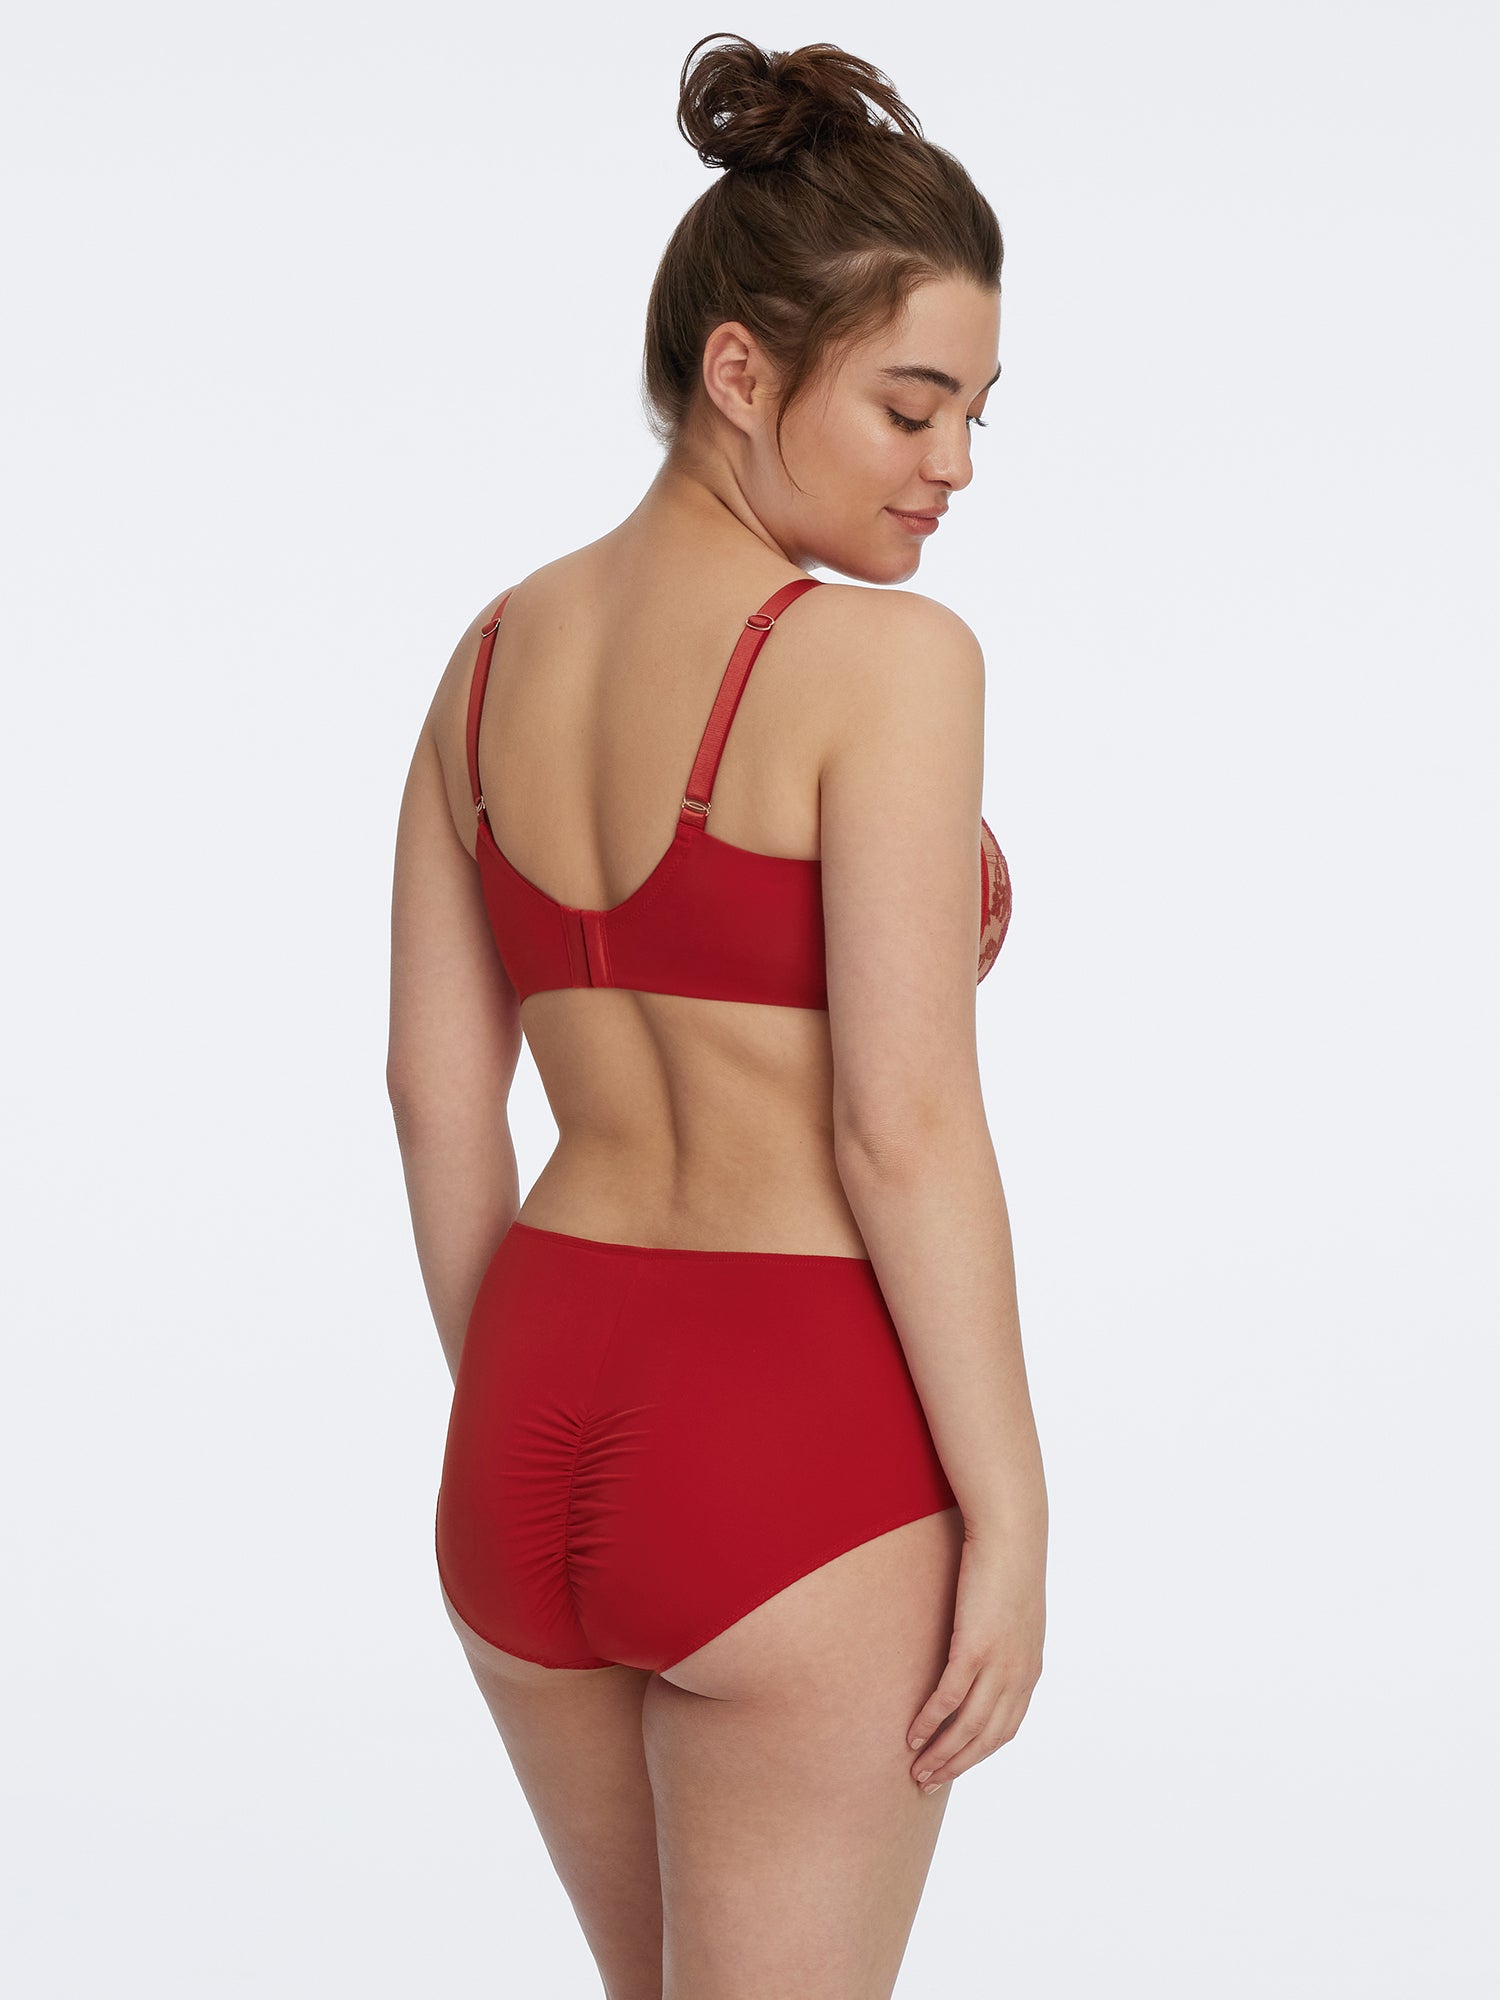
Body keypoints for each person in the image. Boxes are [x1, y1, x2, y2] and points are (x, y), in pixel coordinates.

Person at [386, 31, 1047, 2000]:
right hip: (790, 1442)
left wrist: (522, 1408)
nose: (953, 465)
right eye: (911, 406)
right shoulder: (890, 665)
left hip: (527, 1413)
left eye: (978, 412)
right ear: (741, 371)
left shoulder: (486, 658)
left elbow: (434, 1095)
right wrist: (1014, 1509)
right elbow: (899, 1129)